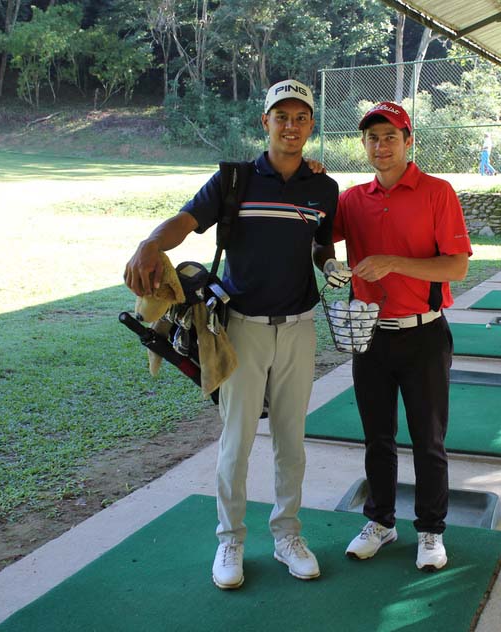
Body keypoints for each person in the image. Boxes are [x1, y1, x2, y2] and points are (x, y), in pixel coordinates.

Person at [124, 79, 346, 590]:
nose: (291, 126)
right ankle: (231, 540)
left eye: (301, 118)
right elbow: (186, 221)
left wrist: (329, 263)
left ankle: (288, 535)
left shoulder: (323, 188)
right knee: (237, 441)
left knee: (291, 441)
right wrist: (150, 243)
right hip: (242, 327)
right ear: (264, 122)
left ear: (311, 125)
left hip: (299, 328)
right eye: (281, 117)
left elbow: (319, 242)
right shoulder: (234, 180)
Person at [318, 101, 472, 571]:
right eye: (372, 138)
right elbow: (320, 236)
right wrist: (330, 262)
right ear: (363, 145)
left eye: (390, 137)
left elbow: (456, 266)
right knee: (377, 437)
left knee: (428, 439)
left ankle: (430, 529)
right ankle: (381, 522)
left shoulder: (437, 192)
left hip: (424, 333)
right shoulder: (352, 199)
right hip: (369, 334)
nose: (381, 146)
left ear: (409, 142)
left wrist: (393, 263)